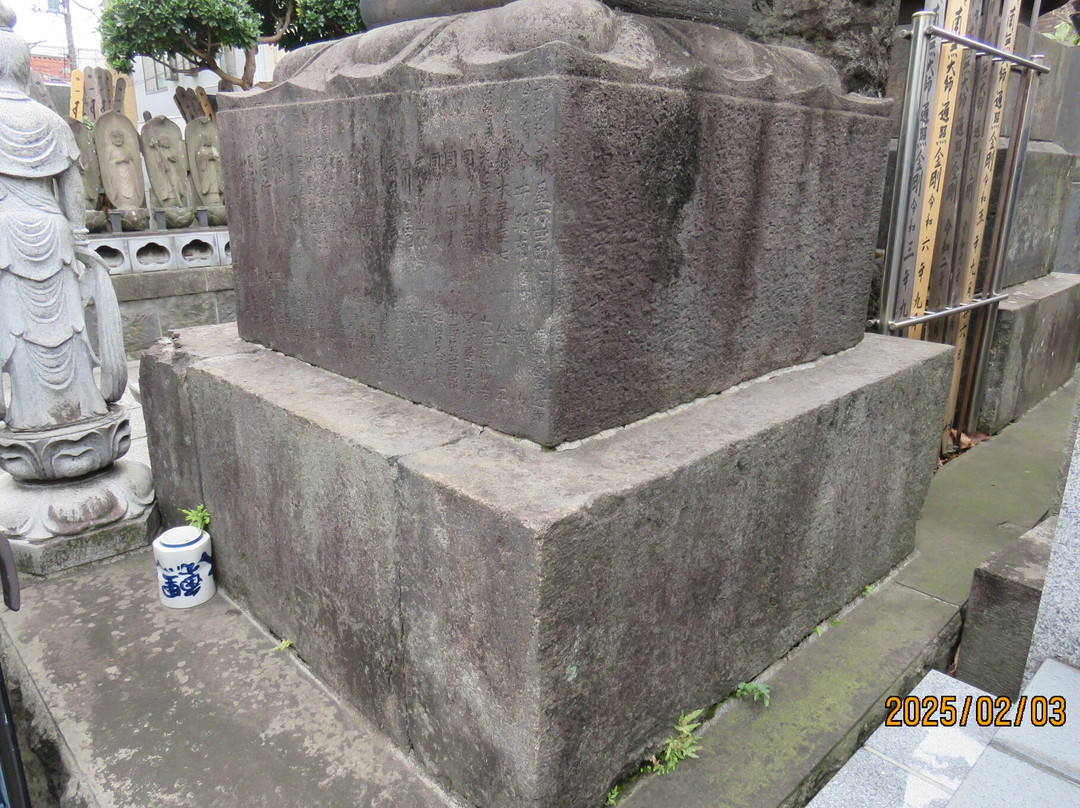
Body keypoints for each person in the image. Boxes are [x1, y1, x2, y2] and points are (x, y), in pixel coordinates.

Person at [0, 1, 125, 435]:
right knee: (68, 325)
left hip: (6, 237)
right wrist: (80, 239)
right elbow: (72, 189)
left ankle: (31, 414)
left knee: (17, 328)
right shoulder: (49, 120)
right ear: (23, 66)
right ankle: (82, 404)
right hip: (52, 231)